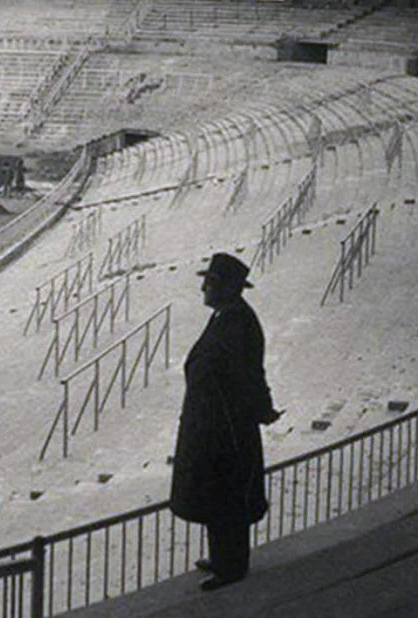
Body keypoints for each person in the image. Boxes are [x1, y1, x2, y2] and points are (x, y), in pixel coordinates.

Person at [169, 252, 283, 591]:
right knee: (215, 492)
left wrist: (262, 409)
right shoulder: (226, 316)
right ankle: (222, 556)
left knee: (226, 494)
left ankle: (232, 566)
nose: (203, 287)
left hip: (227, 429)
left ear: (228, 288)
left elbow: (249, 374)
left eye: (210, 282)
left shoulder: (239, 323)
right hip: (212, 425)